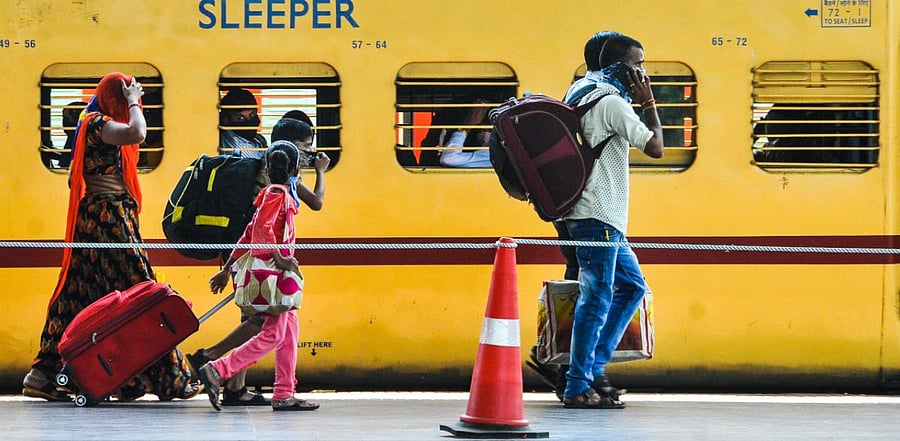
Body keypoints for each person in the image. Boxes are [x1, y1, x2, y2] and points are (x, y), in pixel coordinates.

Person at [22, 72, 200, 402]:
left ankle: (47, 375)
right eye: (126, 99)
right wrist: (134, 101)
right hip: (108, 219)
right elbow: (137, 132)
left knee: (82, 296)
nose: (132, 106)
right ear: (115, 99)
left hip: (103, 218)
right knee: (143, 290)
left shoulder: (95, 124)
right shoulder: (96, 123)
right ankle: (170, 379)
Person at [560, 34, 663, 409]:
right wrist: (649, 102)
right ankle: (576, 384)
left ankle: (592, 369)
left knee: (632, 287)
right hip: (598, 215)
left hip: (590, 214)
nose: (642, 72)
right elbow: (656, 147)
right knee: (598, 297)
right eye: (637, 65)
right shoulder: (614, 102)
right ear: (620, 66)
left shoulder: (581, 88)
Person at [186, 117, 318, 407]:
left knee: (288, 330)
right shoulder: (278, 194)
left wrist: (226, 268)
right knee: (272, 334)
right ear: (295, 169)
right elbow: (261, 233)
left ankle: (284, 393)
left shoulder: (270, 193)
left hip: (270, 272)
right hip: (272, 274)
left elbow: (247, 233)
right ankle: (217, 369)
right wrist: (281, 258)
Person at [438, 101, 493, 168]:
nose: (485, 131)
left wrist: (467, 125)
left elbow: (448, 159)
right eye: (480, 129)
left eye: (489, 128)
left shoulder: (491, 155)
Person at [219, 88, 268, 158]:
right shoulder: (243, 151)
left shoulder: (256, 139)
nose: (249, 121)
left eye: (252, 115)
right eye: (240, 118)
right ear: (226, 120)